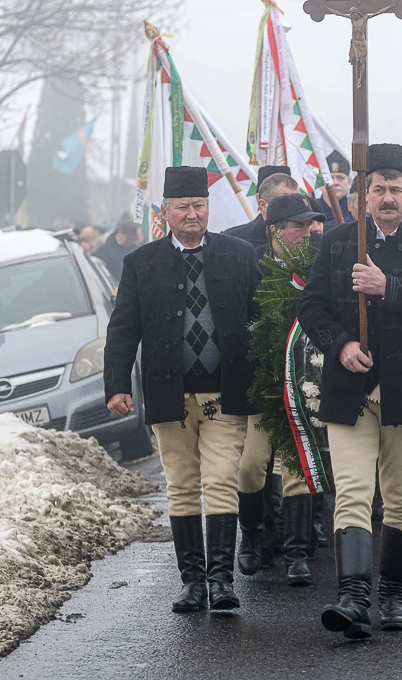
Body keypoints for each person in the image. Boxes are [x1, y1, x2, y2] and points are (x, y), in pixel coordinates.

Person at [297, 143, 402, 639]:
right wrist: (341, 343)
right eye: (378, 189)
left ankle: (391, 593)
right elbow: (312, 306)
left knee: (401, 499)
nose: (387, 197)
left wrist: (387, 287)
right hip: (350, 388)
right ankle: (352, 598)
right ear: (364, 196)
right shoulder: (340, 242)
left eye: (396, 188)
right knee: (350, 493)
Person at [104, 165, 262, 614]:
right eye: (182, 207)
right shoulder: (141, 263)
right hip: (169, 396)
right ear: (166, 211)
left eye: (198, 205)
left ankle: (222, 581)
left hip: (224, 395)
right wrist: (117, 385)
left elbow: (262, 320)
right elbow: (122, 330)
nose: (192, 214)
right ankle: (192, 582)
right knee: (182, 484)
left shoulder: (239, 255)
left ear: (207, 207)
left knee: (220, 483)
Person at [237, 193, 325, 587]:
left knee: (296, 468)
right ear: (275, 230)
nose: (307, 232)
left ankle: (296, 553)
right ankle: (253, 538)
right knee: (251, 466)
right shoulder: (249, 263)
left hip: (302, 385)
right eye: (298, 226)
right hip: (261, 387)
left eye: (309, 225)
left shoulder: (317, 264)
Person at [224, 166, 300, 249]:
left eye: (297, 201)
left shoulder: (310, 238)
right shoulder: (234, 241)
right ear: (262, 204)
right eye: (285, 202)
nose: (293, 207)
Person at [93, 215, 144, 284]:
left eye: (132, 240)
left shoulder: (136, 250)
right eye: (128, 239)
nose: (129, 242)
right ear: (120, 233)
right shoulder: (105, 250)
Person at [317, 149, 353, 224]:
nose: (335, 183)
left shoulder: (355, 210)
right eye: (330, 178)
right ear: (320, 183)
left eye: (340, 178)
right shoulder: (311, 209)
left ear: (349, 182)